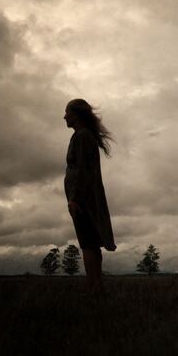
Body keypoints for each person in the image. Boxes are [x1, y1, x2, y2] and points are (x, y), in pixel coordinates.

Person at [63, 98, 116, 294]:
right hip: (86, 196)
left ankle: (93, 287)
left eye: (67, 112)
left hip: (83, 198)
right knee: (92, 242)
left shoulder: (83, 136)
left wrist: (74, 198)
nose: (64, 116)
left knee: (87, 242)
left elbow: (83, 170)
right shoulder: (83, 136)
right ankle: (96, 286)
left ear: (76, 114)